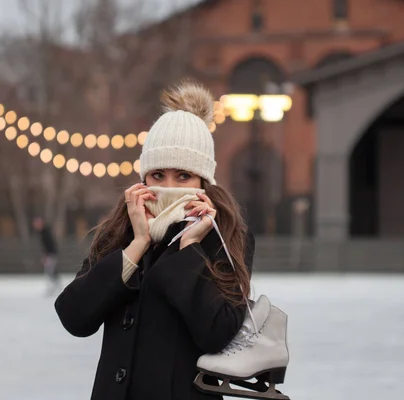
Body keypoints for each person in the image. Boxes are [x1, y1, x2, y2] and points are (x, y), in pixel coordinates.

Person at [54, 80, 255, 400]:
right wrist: (136, 247)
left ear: (203, 179)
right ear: (144, 176)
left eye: (183, 176)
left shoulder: (223, 232)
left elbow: (218, 334)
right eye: (158, 175)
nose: (169, 186)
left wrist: (189, 248)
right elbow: (74, 315)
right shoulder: (120, 230)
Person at [32, 216, 60, 294]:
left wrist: (46, 255)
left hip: (51, 254)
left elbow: (50, 245)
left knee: (49, 271)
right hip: (50, 254)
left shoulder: (45, 233)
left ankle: (53, 287)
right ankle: (55, 286)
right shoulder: (42, 233)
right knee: (50, 271)